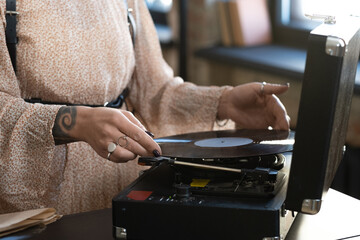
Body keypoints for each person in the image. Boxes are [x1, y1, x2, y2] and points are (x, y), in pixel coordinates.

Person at [0, 0, 290, 215]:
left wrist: (222, 102)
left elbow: (154, 91)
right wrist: (74, 121)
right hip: (43, 201)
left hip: (124, 189)